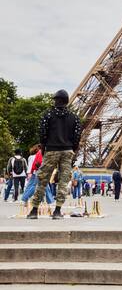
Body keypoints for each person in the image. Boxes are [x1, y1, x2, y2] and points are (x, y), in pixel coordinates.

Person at [27, 90, 82, 220]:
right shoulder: (74, 117)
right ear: (67, 101)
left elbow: (42, 133)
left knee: (42, 180)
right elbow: (77, 135)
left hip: (51, 149)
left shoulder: (48, 115)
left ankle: (34, 210)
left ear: (56, 100)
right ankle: (57, 211)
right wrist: (72, 148)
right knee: (63, 182)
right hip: (67, 150)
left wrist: (44, 147)